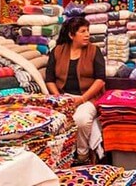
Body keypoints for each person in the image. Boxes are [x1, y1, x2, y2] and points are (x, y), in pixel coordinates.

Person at [47, 17, 108, 164]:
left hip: (89, 97)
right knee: (53, 121)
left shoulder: (94, 51)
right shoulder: (57, 51)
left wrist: (82, 99)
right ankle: (59, 157)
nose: (87, 34)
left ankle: (82, 155)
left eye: (88, 31)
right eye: (82, 31)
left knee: (81, 120)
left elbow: (100, 80)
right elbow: (49, 79)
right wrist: (59, 99)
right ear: (71, 35)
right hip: (64, 97)